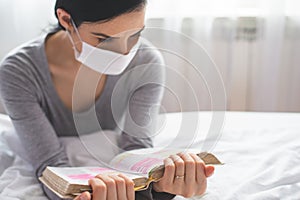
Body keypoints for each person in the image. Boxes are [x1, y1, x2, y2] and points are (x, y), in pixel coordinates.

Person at [0, 0, 214, 199]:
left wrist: (161, 187)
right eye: (104, 40)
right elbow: (49, 165)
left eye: (135, 35)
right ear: (66, 20)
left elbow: (137, 148)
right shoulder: (18, 72)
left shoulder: (145, 62)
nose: (124, 52)